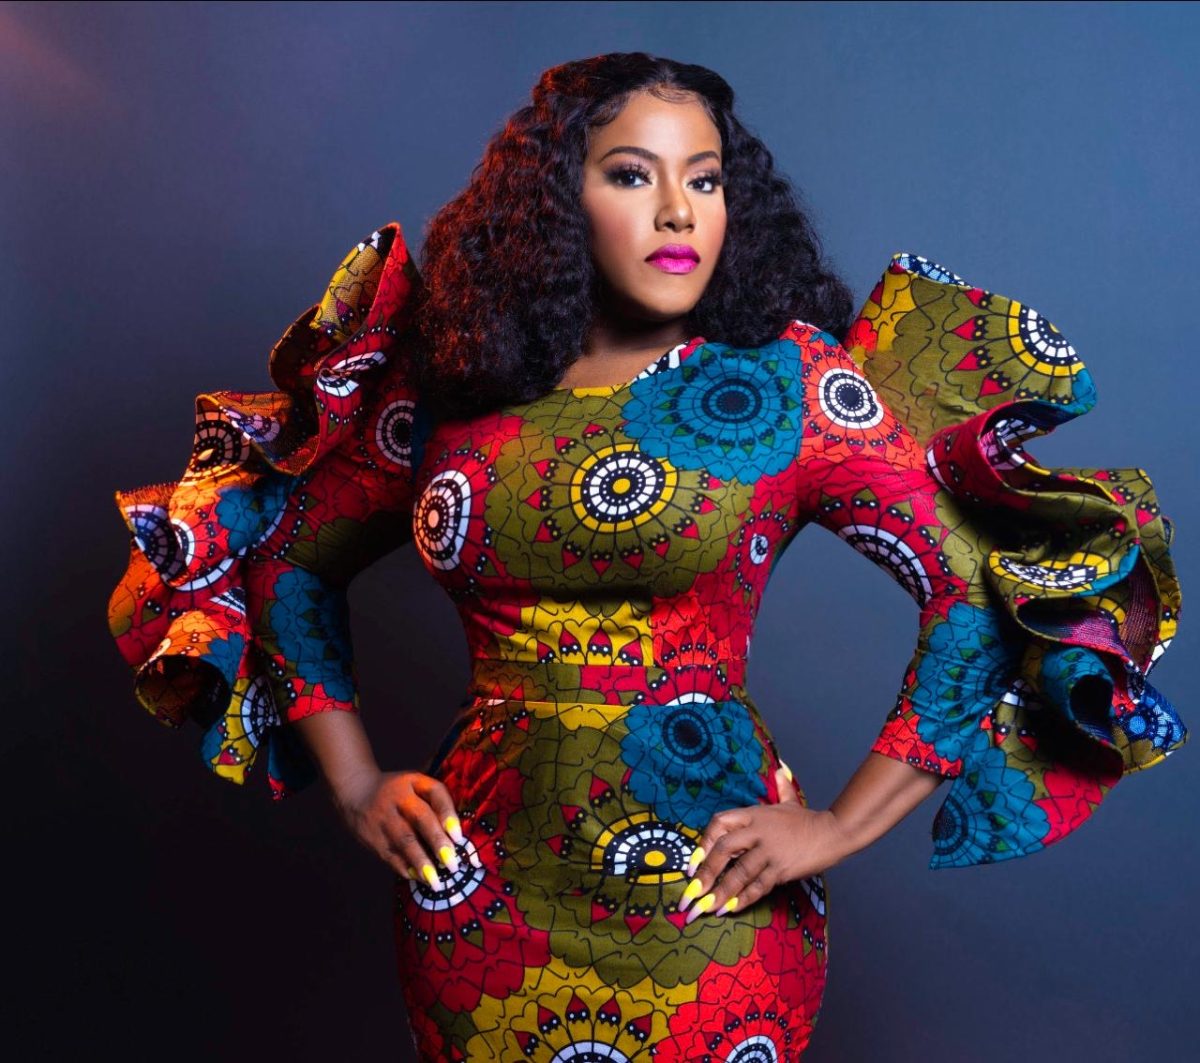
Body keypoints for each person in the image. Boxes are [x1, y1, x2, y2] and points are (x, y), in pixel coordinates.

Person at [107, 52, 1185, 1060]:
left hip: (713, 905)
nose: (679, 211)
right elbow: (288, 556)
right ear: (552, 201)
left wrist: (841, 826)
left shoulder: (787, 386)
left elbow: (978, 589)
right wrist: (354, 783)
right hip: (478, 898)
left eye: (705, 180)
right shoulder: (453, 386)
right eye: (633, 174)